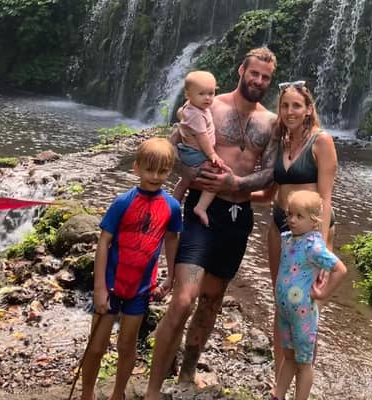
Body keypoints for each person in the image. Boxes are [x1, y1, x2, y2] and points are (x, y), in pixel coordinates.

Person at [144, 47, 279, 400]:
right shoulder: (207, 105)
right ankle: (154, 387)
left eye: (266, 77)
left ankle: (187, 372)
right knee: (184, 298)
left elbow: (270, 173)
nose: (259, 81)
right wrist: (188, 172)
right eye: (254, 74)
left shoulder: (271, 122)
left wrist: (236, 184)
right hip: (203, 213)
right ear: (241, 71)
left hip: (238, 218)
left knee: (212, 299)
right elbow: (169, 148)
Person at [80, 137, 182, 400]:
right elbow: (104, 243)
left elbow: (171, 240)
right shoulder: (122, 202)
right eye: (150, 170)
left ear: (170, 171)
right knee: (96, 347)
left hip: (140, 289)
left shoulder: (171, 207)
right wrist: (99, 287)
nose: (156, 176)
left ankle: (118, 394)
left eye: (163, 171)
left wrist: (171, 277)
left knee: (127, 345)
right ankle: (87, 393)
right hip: (112, 285)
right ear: (136, 168)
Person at [251, 79, 338, 379]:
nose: (290, 111)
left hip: (311, 234)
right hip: (279, 226)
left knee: (307, 308)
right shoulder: (281, 142)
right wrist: (231, 192)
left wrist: (322, 247)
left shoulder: (321, 141)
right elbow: (269, 192)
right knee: (282, 302)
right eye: (285, 105)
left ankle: (303, 383)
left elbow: (325, 198)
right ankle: (279, 383)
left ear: (309, 108)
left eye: (296, 105)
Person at [271, 190, 347, 400]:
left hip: (303, 313)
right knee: (288, 355)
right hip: (285, 311)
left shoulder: (313, 246)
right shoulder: (288, 239)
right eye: (290, 214)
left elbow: (340, 269)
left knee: (304, 362)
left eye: (299, 216)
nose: (292, 220)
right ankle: (278, 394)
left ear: (315, 221)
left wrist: (323, 293)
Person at [171, 70, 223, 227]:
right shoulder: (197, 115)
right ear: (188, 95)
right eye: (202, 94)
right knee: (216, 175)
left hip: (187, 151)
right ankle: (201, 207)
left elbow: (181, 112)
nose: (208, 98)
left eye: (211, 93)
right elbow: (202, 137)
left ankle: (173, 204)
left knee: (184, 181)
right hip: (197, 153)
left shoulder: (190, 107)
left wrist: (182, 116)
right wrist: (212, 154)